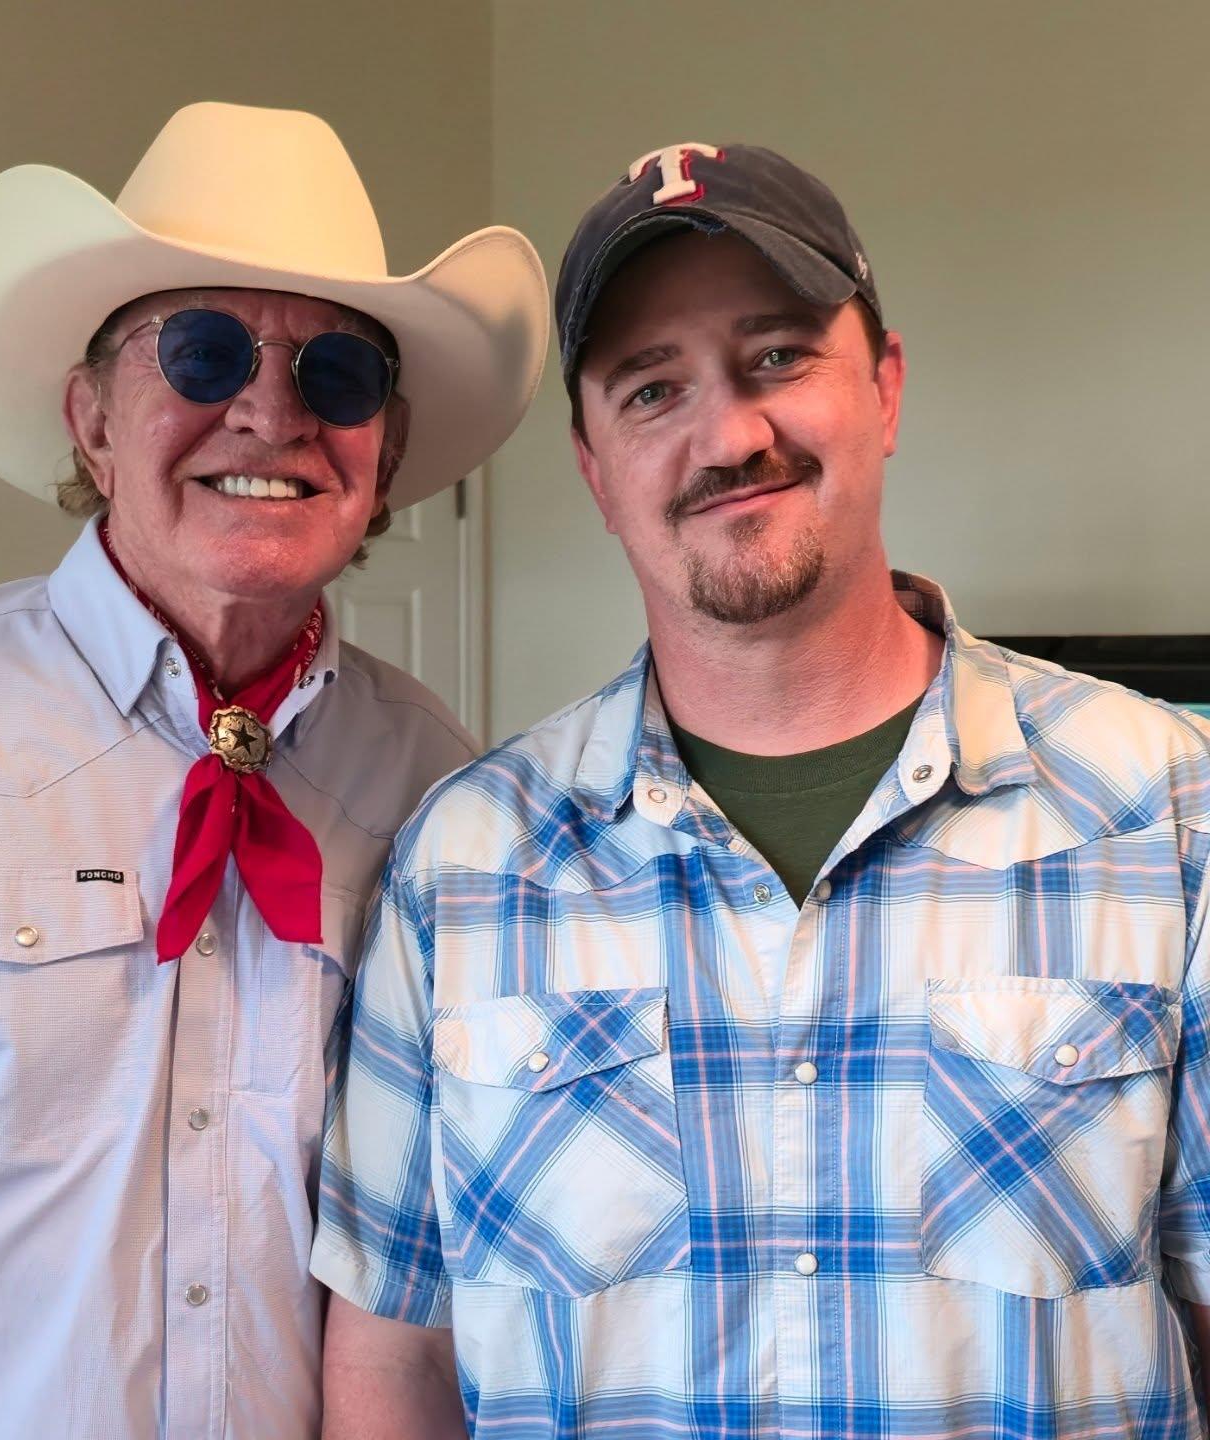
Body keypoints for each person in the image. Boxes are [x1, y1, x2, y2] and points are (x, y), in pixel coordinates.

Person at [312, 140, 1210, 1437]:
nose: (730, 435)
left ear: (887, 388)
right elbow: (395, 1365)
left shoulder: (1167, 816)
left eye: (779, 357)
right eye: (651, 387)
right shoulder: (467, 868)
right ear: (594, 464)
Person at [0, 102, 546, 1439]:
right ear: (91, 421)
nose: (269, 411)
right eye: (200, 353)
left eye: (340, 375)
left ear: (387, 455)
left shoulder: (436, 784)